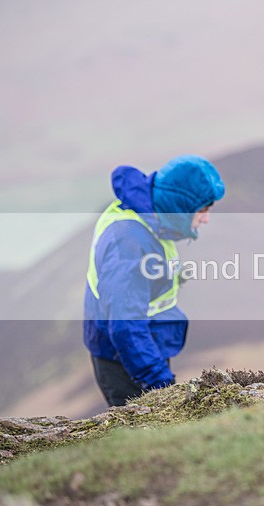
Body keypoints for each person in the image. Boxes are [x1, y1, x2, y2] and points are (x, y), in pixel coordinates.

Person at [83, 155, 225, 407]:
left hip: (142, 347)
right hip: (125, 358)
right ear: (180, 207)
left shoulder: (149, 214)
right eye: (202, 209)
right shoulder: (130, 245)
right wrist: (160, 382)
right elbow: (125, 324)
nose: (206, 219)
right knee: (137, 435)